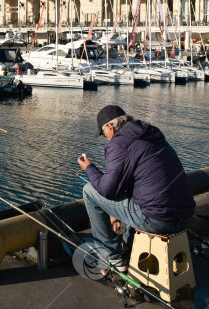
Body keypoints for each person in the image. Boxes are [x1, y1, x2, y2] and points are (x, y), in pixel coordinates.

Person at [78, 105, 196, 270]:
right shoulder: (151, 136)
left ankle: (112, 256)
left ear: (110, 127)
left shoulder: (118, 144)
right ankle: (128, 247)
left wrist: (89, 168)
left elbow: (107, 191)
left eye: (104, 133)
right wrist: (114, 211)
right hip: (185, 216)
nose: (106, 138)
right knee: (145, 198)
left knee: (89, 191)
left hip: (159, 220)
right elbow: (136, 182)